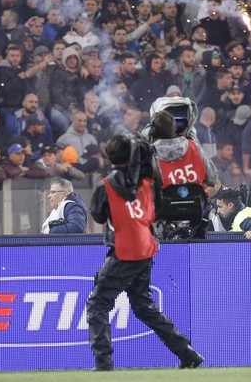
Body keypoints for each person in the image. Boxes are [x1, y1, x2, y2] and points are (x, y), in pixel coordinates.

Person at [87, 134, 203, 371]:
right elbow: (157, 212)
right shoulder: (148, 184)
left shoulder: (105, 185)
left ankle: (103, 363)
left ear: (110, 156)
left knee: (98, 304)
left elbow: (98, 216)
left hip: (123, 251)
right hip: (146, 249)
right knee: (143, 306)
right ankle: (187, 352)